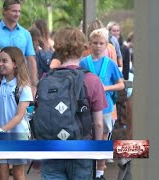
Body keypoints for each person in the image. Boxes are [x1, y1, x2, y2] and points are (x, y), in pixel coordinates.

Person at [39, 27, 106, 180]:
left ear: (58, 48)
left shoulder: (45, 79)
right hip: (82, 150)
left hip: (52, 150)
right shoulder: (92, 80)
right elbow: (99, 124)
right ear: (84, 48)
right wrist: (98, 154)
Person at [80, 28, 125, 179]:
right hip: (87, 109)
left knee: (103, 140)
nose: (98, 46)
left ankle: (99, 173)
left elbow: (121, 85)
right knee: (88, 138)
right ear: (89, 44)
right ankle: (88, 171)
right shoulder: (83, 62)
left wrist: (106, 88)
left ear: (106, 45)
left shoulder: (110, 64)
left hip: (106, 108)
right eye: (95, 43)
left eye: (101, 43)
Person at [0, 47, 33, 180]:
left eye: (4, 61)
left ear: (15, 64)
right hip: (0, 135)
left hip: (18, 136)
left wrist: (0, 130)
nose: (0, 64)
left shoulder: (23, 88)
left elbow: (19, 117)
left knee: (18, 174)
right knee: (1, 174)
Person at [0, 0, 38, 96]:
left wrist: (33, 84)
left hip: (21, 81)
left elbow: (31, 60)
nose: (17, 14)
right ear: (5, 11)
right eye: (14, 11)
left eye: (19, 11)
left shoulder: (25, 34)